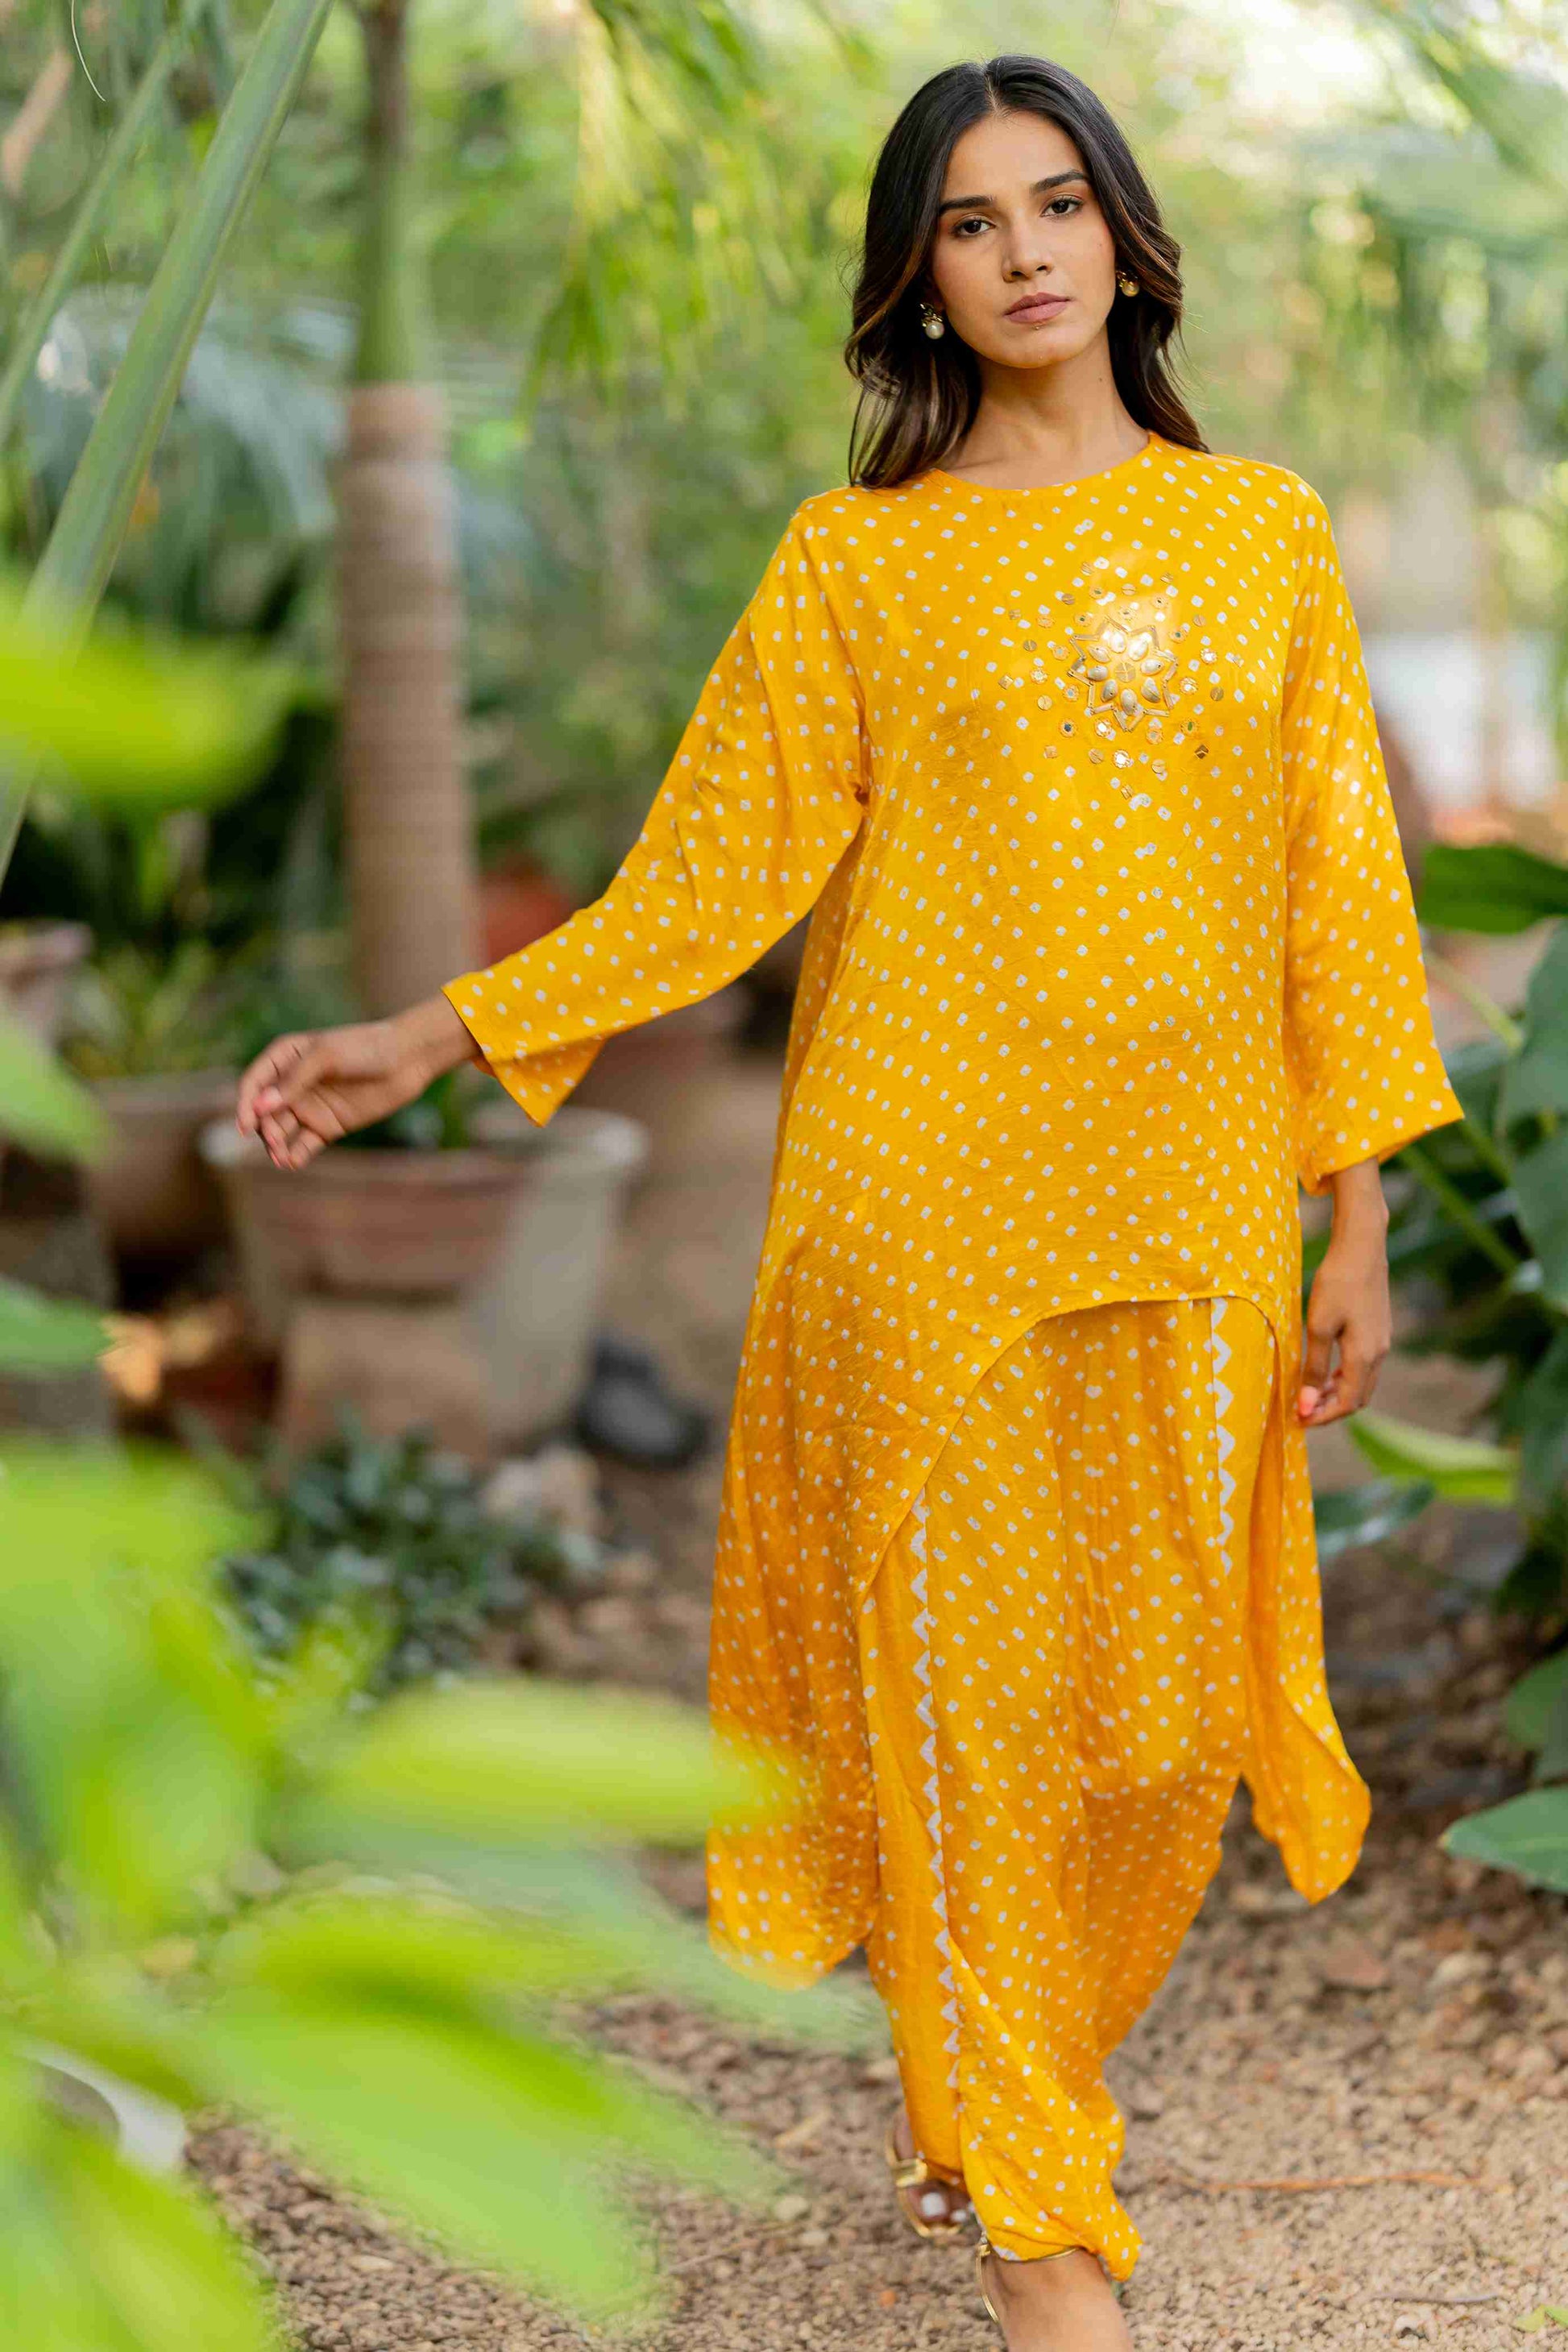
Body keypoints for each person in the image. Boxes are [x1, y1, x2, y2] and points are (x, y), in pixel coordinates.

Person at [238, 54, 1462, 2352]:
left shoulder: (1261, 533)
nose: (1020, 252)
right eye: (968, 222)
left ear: (1124, 237)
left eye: (1054, 203)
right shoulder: (858, 562)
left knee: (1144, 1734)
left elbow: (1338, 892)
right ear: (917, 278)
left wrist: (1360, 1218)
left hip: (1196, 1215)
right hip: (922, 1219)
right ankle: (1039, 2234)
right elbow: (705, 877)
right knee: (960, 1707)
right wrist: (438, 1031)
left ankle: (1008, 2097)